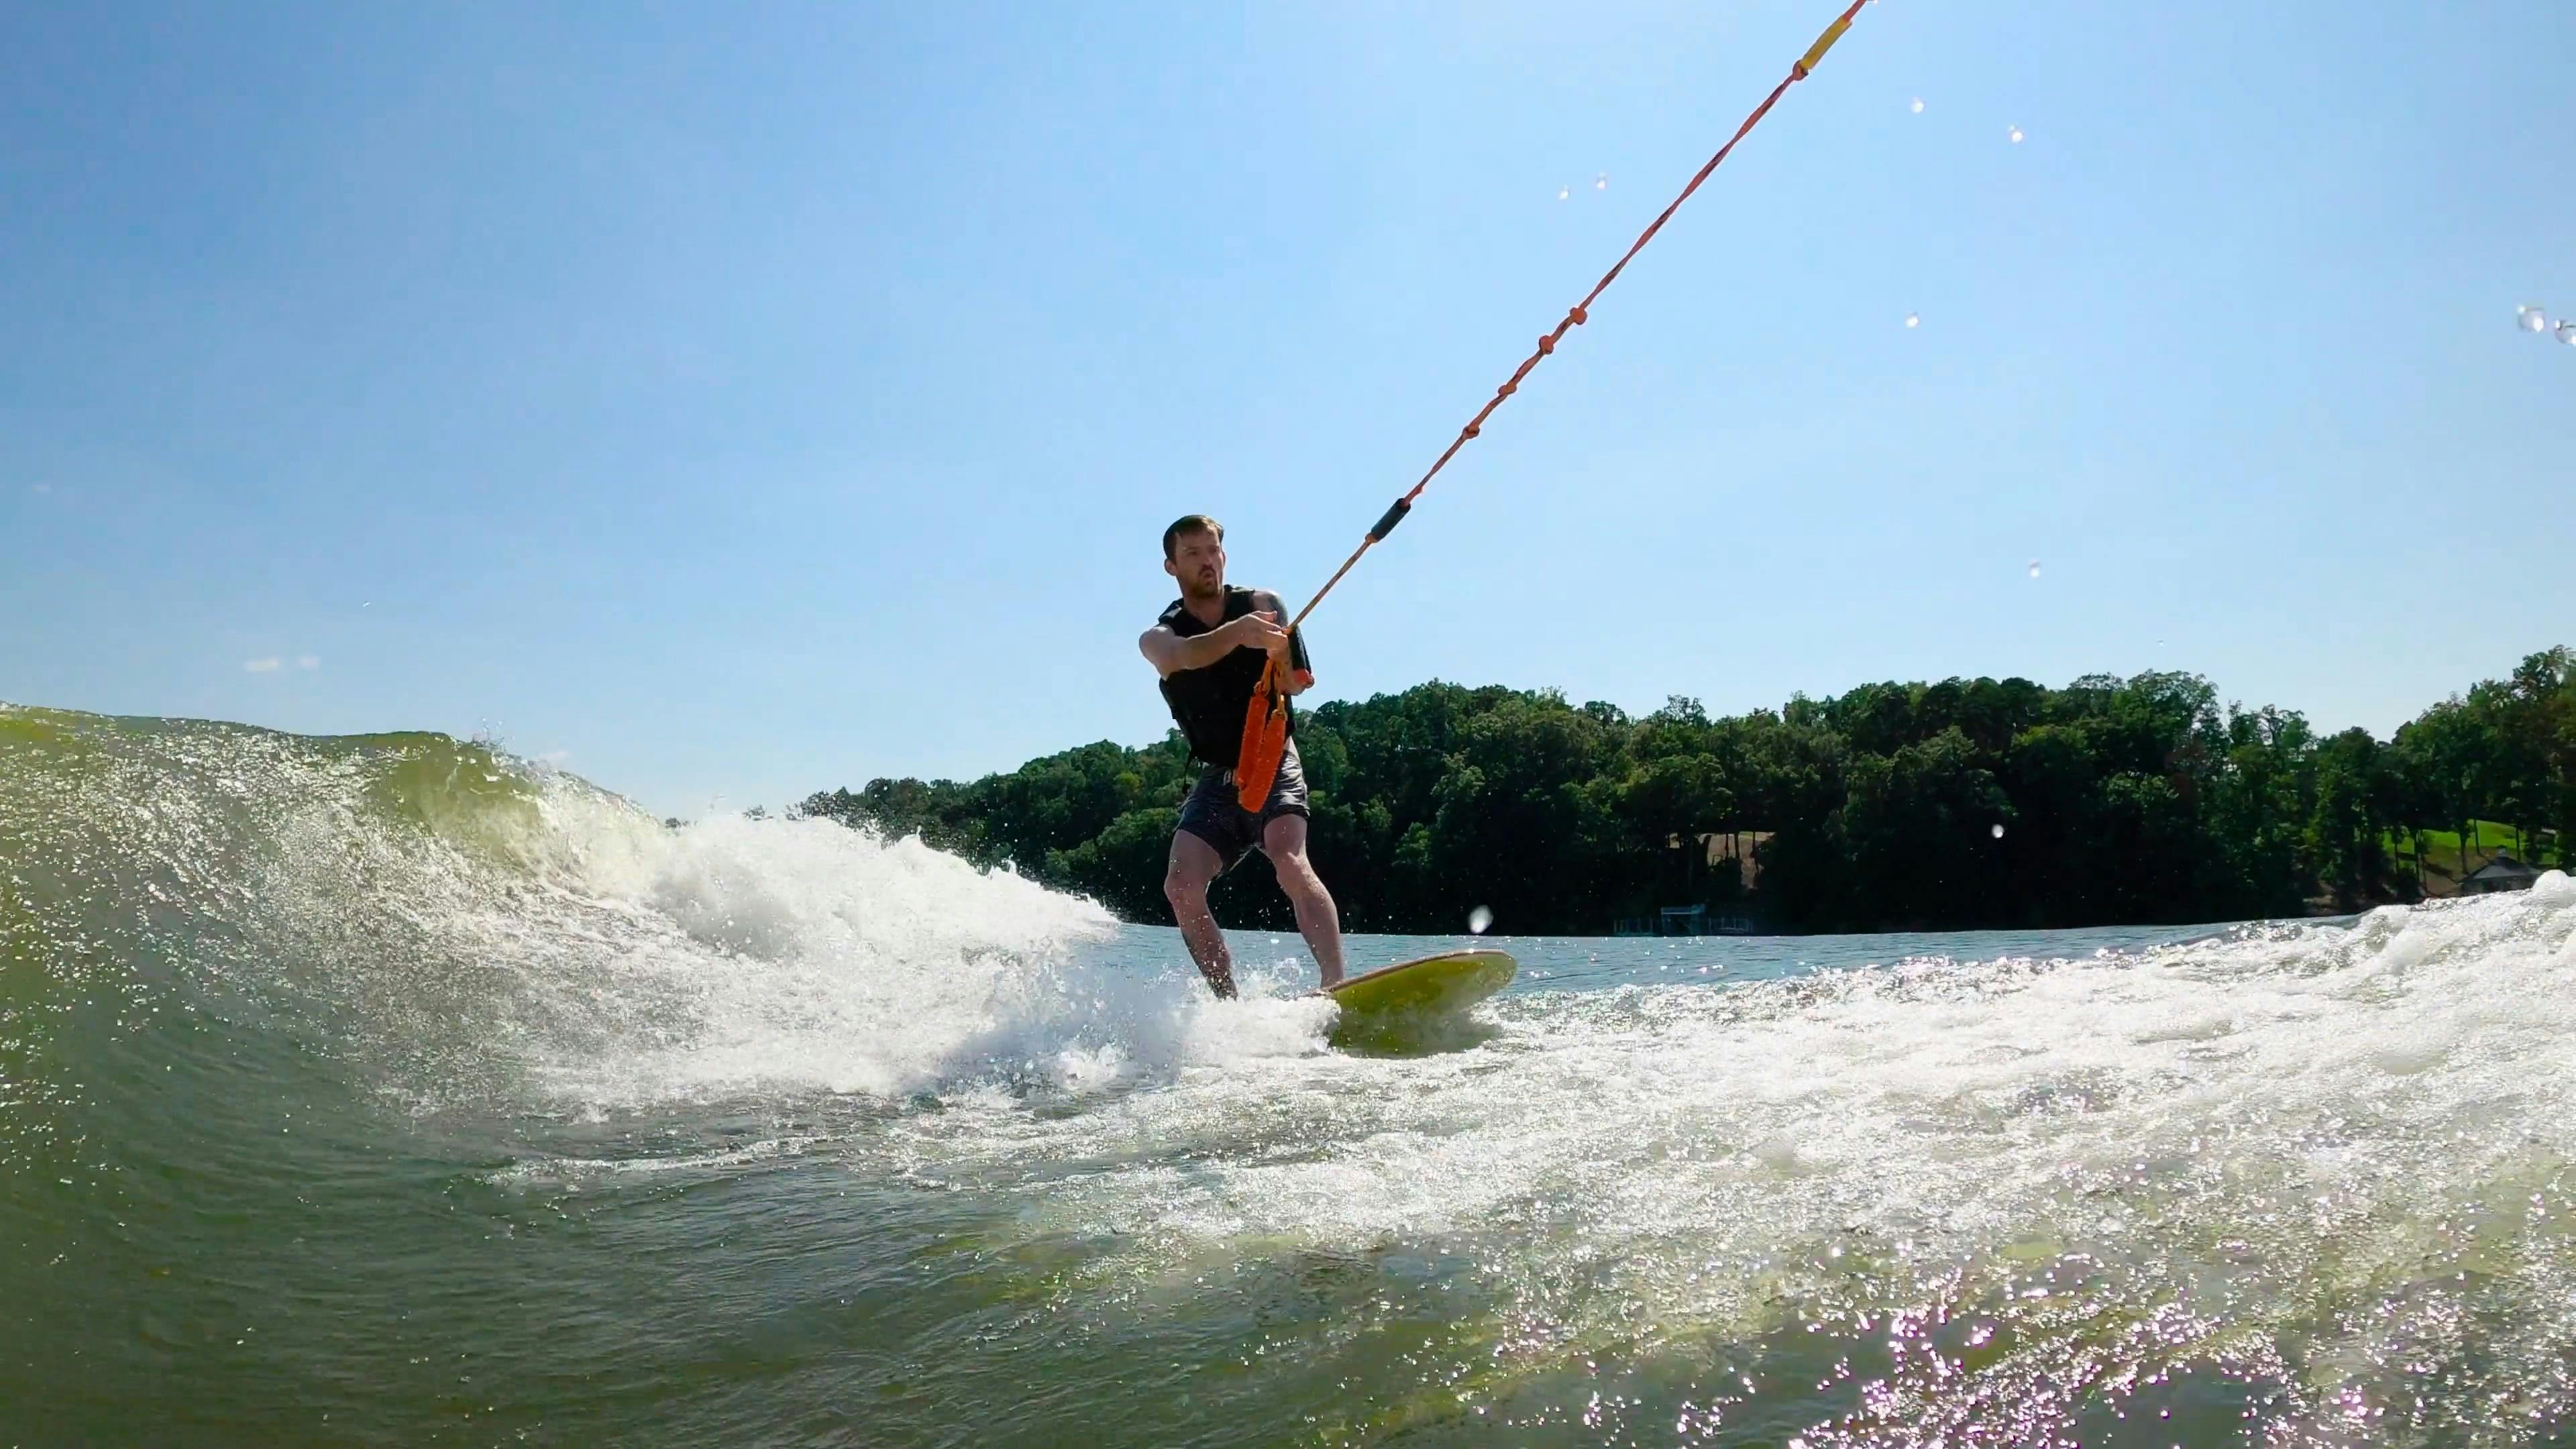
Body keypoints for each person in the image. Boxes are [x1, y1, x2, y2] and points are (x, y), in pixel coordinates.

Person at [1138, 514, 1346, 998]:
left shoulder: (1262, 604)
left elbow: (1296, 682)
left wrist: (1280, 657)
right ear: (1171, 566)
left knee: (1290, 861)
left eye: (1213, 551)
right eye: (1193, 554)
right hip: (1219, 779)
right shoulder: (1159, 636)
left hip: (1274, 761)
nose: (1207, 561)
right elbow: (1182, 658)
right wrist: (1238, 635)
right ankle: (1229, 1005)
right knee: (1180, 885)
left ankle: (1336, 985)